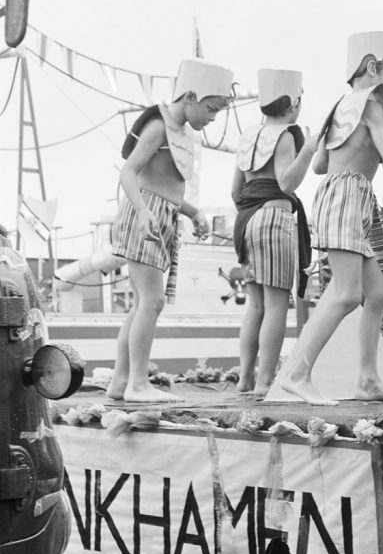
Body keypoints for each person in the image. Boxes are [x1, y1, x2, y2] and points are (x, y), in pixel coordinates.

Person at [277, 32, 383, 404]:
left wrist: (350, 158)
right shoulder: (370, 106)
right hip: (351, 196)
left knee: (378, 292)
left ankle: (367, 379)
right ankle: (297, 372)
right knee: (347, 293)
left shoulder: (341, 106)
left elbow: (320, 165)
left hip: (343, 194)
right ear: (372, 66)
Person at [107, 58, 234, 401]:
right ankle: (137, 384)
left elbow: (166, 184)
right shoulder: (159, 126)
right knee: (152, 301)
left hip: (161, 214)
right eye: (210, 108)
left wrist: (193, 211)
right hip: (143, 215)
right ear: (191, 96)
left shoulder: (181, 131)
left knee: (140, 305)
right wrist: (143, 210)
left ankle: (121, 382)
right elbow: (129, 172)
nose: (212, 118)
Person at [232, 69, 315, 395]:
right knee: (277, 304)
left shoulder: (248, 136)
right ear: (293, 102)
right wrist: (307, 150)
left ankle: (245, 377)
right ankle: (266, 379)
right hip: (272, 218)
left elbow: (235, 190)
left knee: (255, 305)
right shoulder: (286, 135)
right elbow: (287, 183)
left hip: (246, 221)